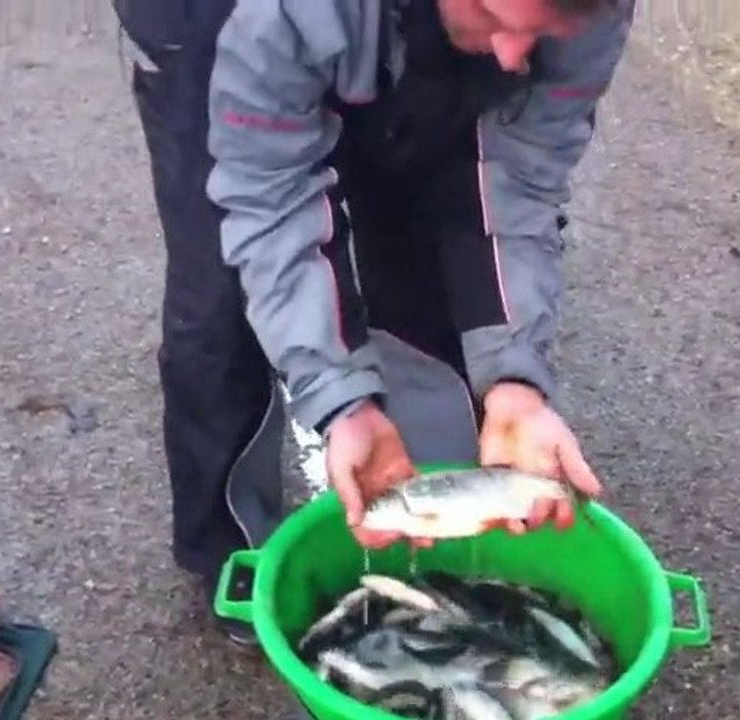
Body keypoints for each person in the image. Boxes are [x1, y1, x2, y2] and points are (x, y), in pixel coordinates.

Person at [113, 0, 634, 648]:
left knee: (424, 248)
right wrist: (337, 395)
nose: (510, 56)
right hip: (205, 19)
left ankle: (429, 520)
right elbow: (269, 193)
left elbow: (520, 179)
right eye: (492, 15)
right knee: (219, 295)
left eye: (546, 29)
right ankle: (231, 548)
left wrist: (513, 380)